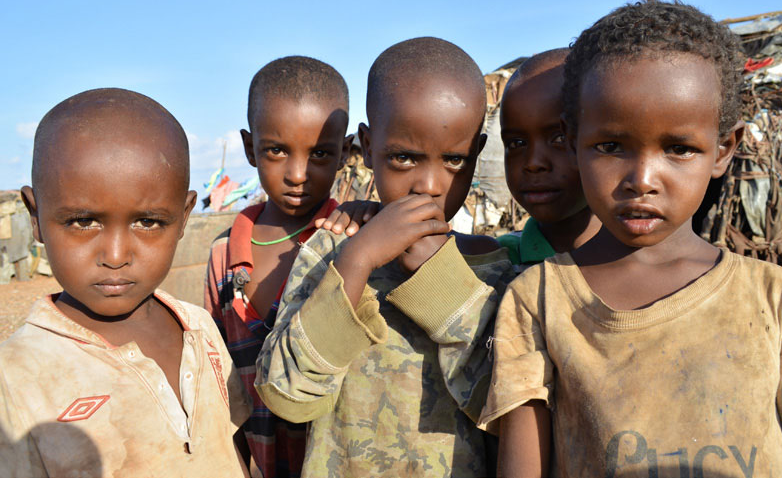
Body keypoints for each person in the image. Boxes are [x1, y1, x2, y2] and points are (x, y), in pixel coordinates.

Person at [480, 0, 782, 478]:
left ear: (723, 150)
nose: (643, 180)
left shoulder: (775, 298)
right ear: (574, 140)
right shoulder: (538, 301)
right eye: (611, 146)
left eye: (679, 148)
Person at [254, 37, 515, 478]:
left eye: (454, 160)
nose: (428, 185)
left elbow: (508, 408)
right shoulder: (330, 252)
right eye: (404, 158)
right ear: (368, 146)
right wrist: (357, 262)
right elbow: (287, 397)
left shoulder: (495, 268)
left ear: (477, 153)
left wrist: (443, 282)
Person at [0, 88, 251, 477]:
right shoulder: (15, 376)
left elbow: (233, 447)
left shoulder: (199, 327)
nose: (116, 256)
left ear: (184, 217)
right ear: (36, 217)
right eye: (83, 221)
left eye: (147, 222)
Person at [205, 56, 376, 478]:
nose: (297, 174)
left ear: (344, 153)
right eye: (277, 150)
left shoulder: (355, 240)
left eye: (320, 153)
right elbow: (218, 378)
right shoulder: (223, 255)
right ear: (250, 148)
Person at [497, 48, 601, 271]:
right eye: (516, 143)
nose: (533, 163)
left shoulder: (645, 260)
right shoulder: (495, 263)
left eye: (559, 138)